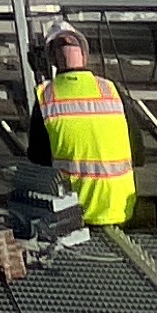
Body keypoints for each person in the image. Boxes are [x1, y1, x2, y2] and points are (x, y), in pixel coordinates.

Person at [29, 23, 136, 227]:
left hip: (71, 213)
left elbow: (38, 159)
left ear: (52, 59)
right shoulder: (111, 90)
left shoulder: (46, 96)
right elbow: (138, 154)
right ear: (85, 55)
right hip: (120, 209)